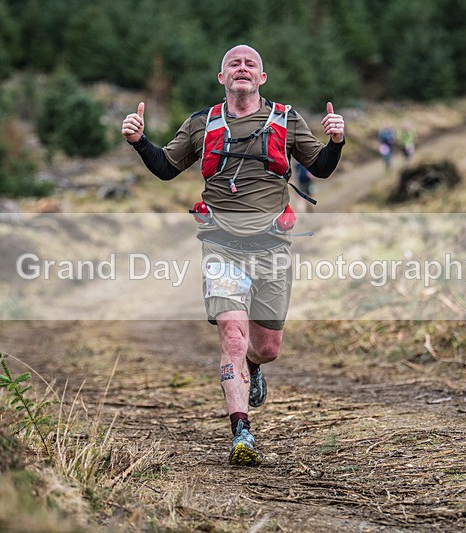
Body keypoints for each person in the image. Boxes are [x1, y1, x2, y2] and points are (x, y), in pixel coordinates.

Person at [121, 44, 345, 466]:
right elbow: (167, 168)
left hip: (272, 248)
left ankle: (254, 368)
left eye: (250, 64)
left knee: (267, 347)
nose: (242, 68)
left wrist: (337, 140)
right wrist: (138, 141)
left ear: (262, 78)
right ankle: (242, 432)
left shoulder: (286, 118)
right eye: (233, 64)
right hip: (221, 246)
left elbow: (322, 168)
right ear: (222, 78)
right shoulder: (202, 123)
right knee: (233, 337)